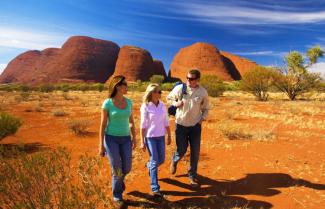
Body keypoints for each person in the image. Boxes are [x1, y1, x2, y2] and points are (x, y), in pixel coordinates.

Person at [166, 69, 209, 187]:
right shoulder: (180, 88)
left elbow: (206, 108)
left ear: (198, 80)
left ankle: (192, 176)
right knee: (182, 150)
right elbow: (168, 98)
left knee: (195, 152)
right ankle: (174, 160)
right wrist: (176, 103)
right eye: (187, 78)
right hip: (180, 125)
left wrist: (201, 120)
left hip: (195, 126)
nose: (188, 80)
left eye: (191, 79)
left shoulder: (202, 92)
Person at [99, 75, 136, 207]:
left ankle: (118, 180)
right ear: (118, 86)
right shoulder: (107, 103)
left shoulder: (129, 102)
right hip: (111, 139)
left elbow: (131, 122)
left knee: (127, 167)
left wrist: (134, 137)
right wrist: (101, 146)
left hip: (125, 138)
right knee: (117, 169)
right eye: (125, 84)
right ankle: (117, 196)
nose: (127, 86)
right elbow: (103, 125)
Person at [140, 83, 171, 196]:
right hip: (150, 137)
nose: (160, 93)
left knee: (161, 159)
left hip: (161, 136)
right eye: (158, 91)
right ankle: (155, 188)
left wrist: (169, 135)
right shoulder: (146, 106)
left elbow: (166, 121)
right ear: (152, 93)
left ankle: (149, 166)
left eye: (160, 91)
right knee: (154, 160)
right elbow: (143, 125)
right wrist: (142, 141)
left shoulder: (163, 105)